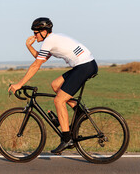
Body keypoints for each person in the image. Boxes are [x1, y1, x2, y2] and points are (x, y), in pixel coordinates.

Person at [8, 17, 98, 154]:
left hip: (84, 67)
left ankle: (67, 138)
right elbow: (41, 58)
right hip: (85, 65)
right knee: (56, 85)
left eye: (36, 32)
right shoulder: (53, 39)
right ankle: (79, 112)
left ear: (44, 31)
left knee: (58, 100)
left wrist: (19, 84)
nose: (34, 35)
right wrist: (29, 46)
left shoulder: (49, 41)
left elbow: (36, 65)